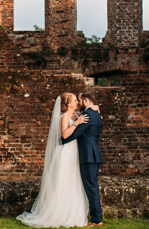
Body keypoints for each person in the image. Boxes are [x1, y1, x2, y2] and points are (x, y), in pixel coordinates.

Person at [16, 93, 91, 228]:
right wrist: (77, 124)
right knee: (63, 181)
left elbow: (91, 109)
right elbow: (65, 134)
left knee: (74, 180)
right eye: (74, 101)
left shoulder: (77, 115)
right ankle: (59, 213)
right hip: (66, 152)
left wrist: (93, 108)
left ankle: (72, 213)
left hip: (75, 151)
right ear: (67, 104)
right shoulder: (64, 117)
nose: (77, 103)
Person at [61, 91, 104, 227]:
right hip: (95, 154)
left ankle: (97, 219)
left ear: (85, 100)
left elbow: (77, 133)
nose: (78, 103)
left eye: (79, 100)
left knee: (91, 187)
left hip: (88, 156)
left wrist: (62, 141)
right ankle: (96, 217)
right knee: (92, 186)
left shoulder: (87, 114)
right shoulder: (97, 114)